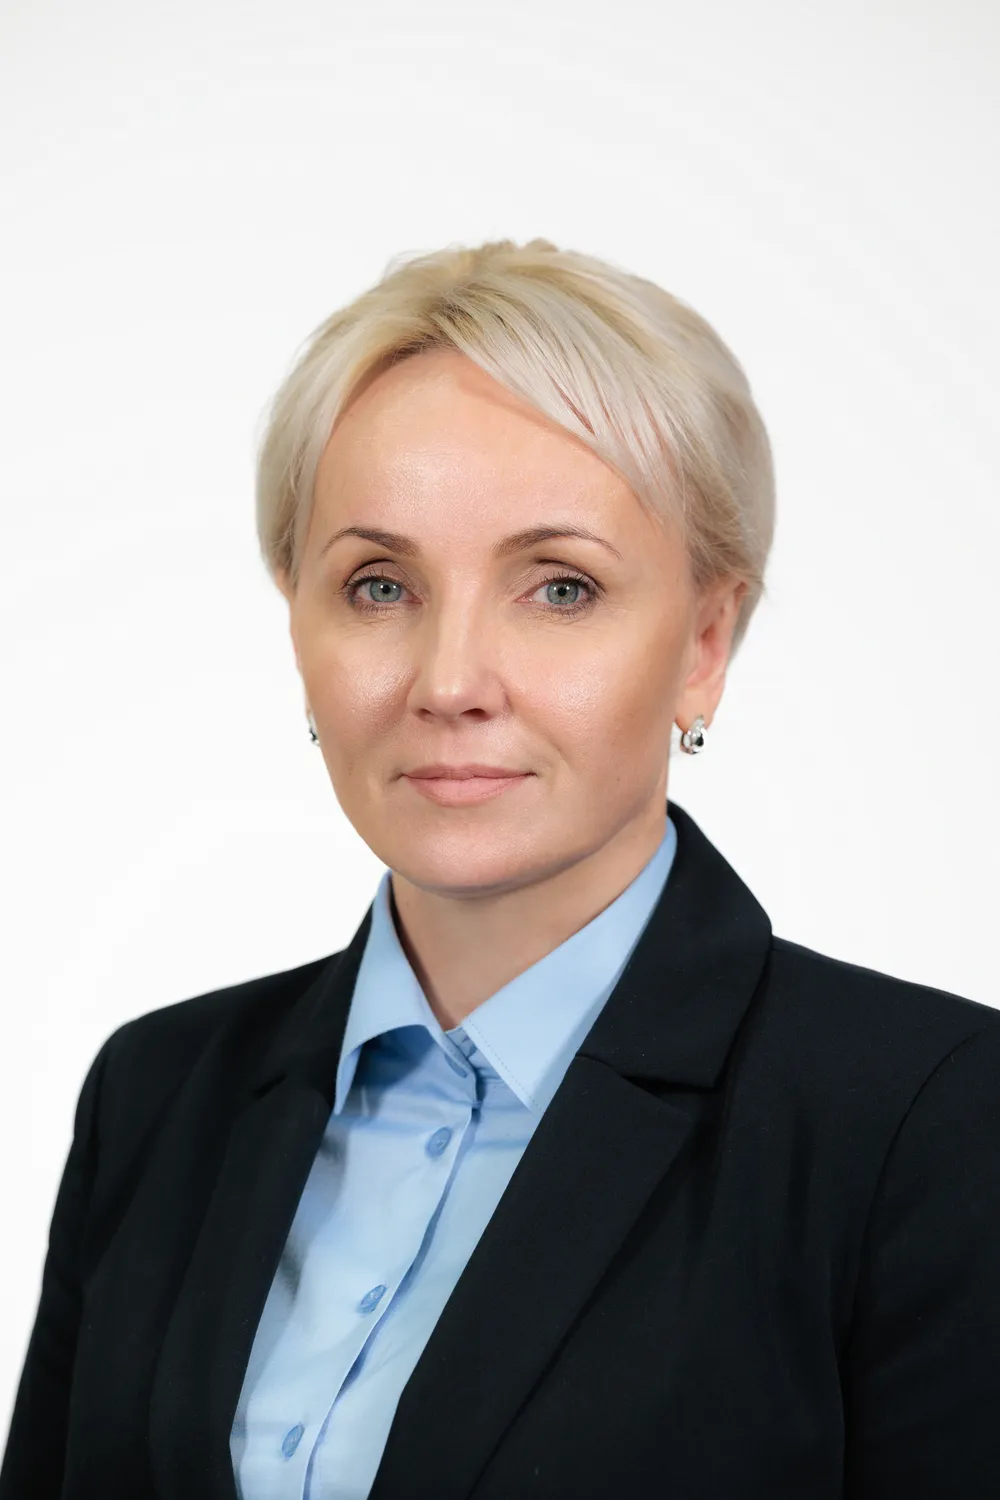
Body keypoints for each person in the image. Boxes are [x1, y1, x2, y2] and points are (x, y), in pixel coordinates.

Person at [2, 237, 998, 1500]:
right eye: (378, 586)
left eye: (560, 589)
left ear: (703, 643)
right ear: (297, 623)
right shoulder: (156, 1094)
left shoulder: (929, 1123)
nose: (450, 682)